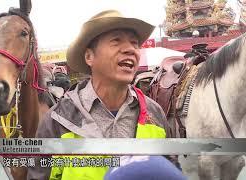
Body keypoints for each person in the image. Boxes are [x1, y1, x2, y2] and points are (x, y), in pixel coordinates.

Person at [27, 10, 181, 180]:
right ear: (89, 56)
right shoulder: (57, 120)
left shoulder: (155, 113)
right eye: (116, 41)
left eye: (135, 43)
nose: (131, 49)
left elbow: (171, 169)